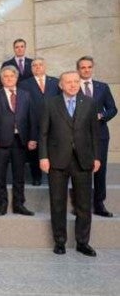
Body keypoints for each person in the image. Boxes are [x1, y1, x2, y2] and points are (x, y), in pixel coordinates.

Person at [39, 71, 100, 257]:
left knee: (84, 204)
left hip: (83, 160)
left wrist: (96, 157)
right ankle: (60, 242)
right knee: (58, 203)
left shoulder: (89, 103)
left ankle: (83, 242)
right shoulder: (50, 103)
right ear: (61, 85)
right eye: (69, 82)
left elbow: (94, 134)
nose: (73, 85)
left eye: (76, 81)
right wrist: (43, 157)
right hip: (57, 159)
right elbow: (43, 133)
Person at [0, 66, 36, 216]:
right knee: (0, 175)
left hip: (20, 140)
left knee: (19, 175)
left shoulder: (25, 95)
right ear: (2, 79)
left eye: (11, 76)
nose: (8, 79)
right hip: (0, 141)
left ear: (16, 78)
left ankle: (19, 204)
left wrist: (32, 138)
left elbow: (31, 118)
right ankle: (2, 204)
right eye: (5, 77)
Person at [77, 56, 117, 217]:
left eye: (89, 67)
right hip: (79, 135)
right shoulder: (72, 85)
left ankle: (99, 203)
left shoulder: (102, 87)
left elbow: (113, 109)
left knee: (100, 169)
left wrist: (102, 115)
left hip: (100, 134)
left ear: (92, 68)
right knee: (80, 169)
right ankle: (80, 204)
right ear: (78, 69)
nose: (86, 70)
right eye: (83, 67)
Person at [20, 57, 61, 185]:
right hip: (33, 122)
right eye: (34, 65)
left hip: (54, 123)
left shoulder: (55, 82)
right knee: (34, 151)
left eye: (40, 65)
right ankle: (36, 177)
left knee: (54, 150)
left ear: (45, 66)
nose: (37, 67)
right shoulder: (24, 84)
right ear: (31, 69)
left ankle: (53, 176)